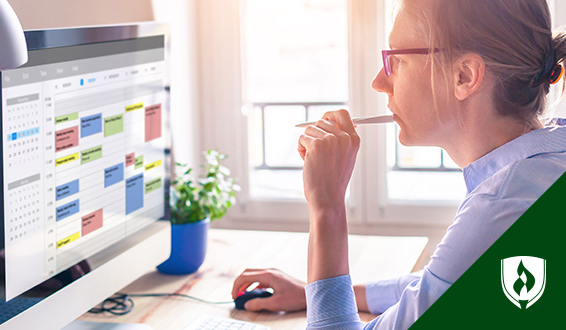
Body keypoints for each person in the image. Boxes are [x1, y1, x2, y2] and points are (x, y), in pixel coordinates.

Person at [232, 0, 566, 328]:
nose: (379, 81)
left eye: (397, 59)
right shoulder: (545, 163)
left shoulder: (500, 208)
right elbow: (440, 283)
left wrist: (327, 206)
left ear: (464, 76)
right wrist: (315, 294)